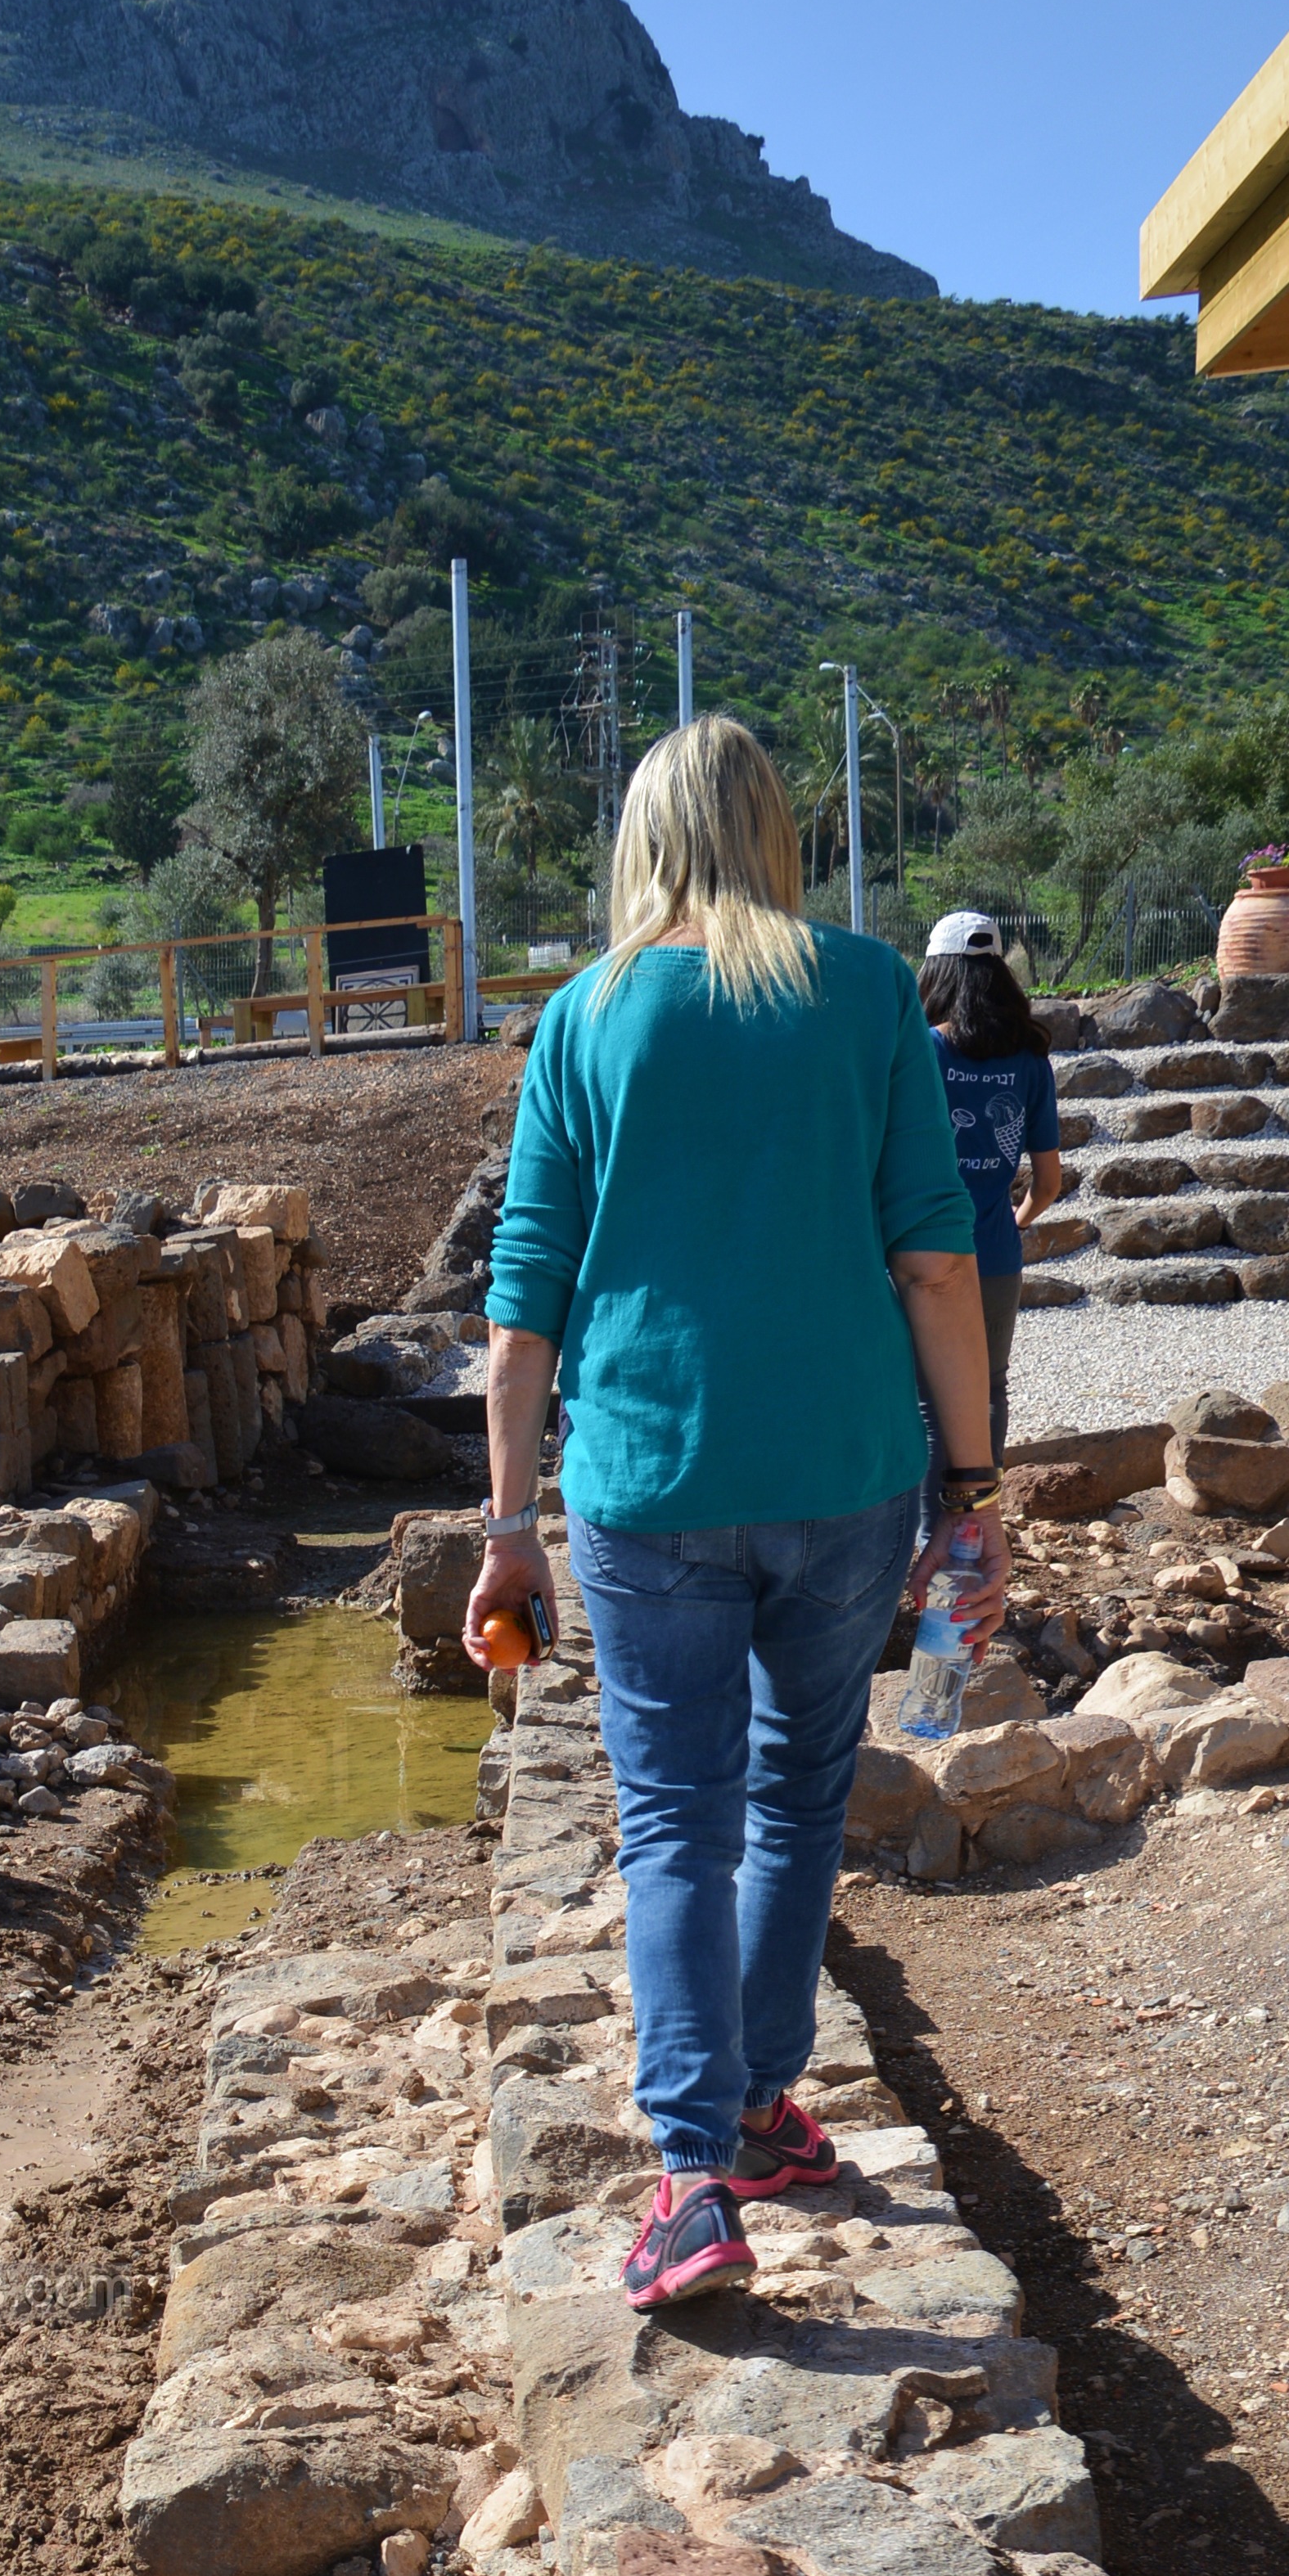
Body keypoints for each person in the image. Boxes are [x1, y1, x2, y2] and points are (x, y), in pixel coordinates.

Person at [466, 714, 998, 2312]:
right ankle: (760, 2108)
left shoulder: (584, 1012)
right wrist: (970, 1474)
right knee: (794, 1792)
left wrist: (506, 1524)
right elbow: (933, 1254)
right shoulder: (860, 991)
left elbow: (520, 1311)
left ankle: (694, 2170)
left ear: (643, 839)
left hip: (644, 1474)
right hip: (845, 1465)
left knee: (675, 1817)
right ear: (777, 832)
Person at [920, 906, 1061, 1462]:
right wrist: (1013, 1222)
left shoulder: (924, 1050)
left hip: (922, 1250)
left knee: (921, 1399)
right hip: (995, 1254)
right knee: (988, 1388)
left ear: (936, 971)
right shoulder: (1030, 1060)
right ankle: (979, 1522)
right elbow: (1047, 1182)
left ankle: (926, 1532)